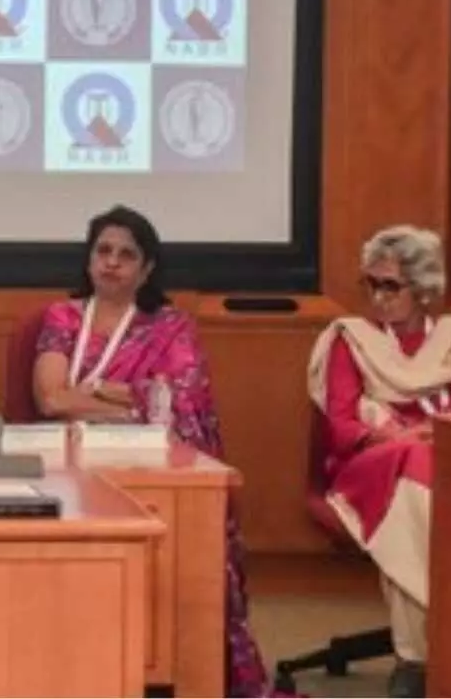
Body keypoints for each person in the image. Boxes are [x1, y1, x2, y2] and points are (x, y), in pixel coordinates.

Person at [31, 205, 273, 698]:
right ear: (88, 260)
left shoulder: (171, 327)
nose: (111, 262)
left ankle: (168, 662)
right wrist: (134, 397)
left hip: (149, 466)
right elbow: (51, 399)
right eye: (102, 251)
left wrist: (98, 391)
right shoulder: (63, 317)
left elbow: (183, 402)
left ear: (146, 270)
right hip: (73, 469)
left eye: (126, 255)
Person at [307, 225, 451, 698]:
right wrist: (394, 433)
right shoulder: (350, 339)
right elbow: (341, 427)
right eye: (370, 284)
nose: (377, 297)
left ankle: (416, 656)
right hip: (369, 467)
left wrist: (428, 433)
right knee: (410, 470)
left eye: (390, 286)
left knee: (412, 497)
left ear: (422, 289)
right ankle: (443, 641)